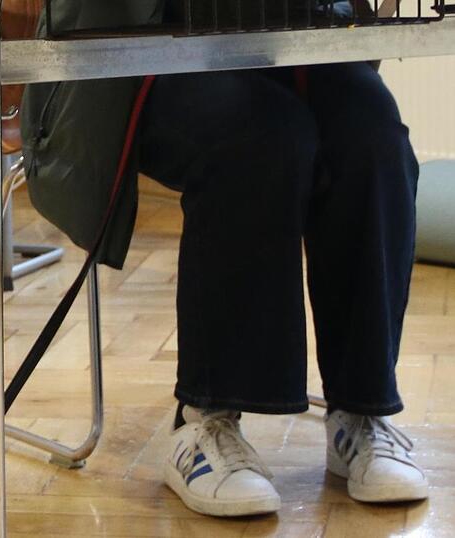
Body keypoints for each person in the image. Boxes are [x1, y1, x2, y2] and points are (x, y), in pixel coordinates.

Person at [21, 0, 427, 517]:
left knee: (373, 137)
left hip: (295, 32)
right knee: (260, 134)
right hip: (149, 47)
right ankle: (204, 420)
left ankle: (361, 412)